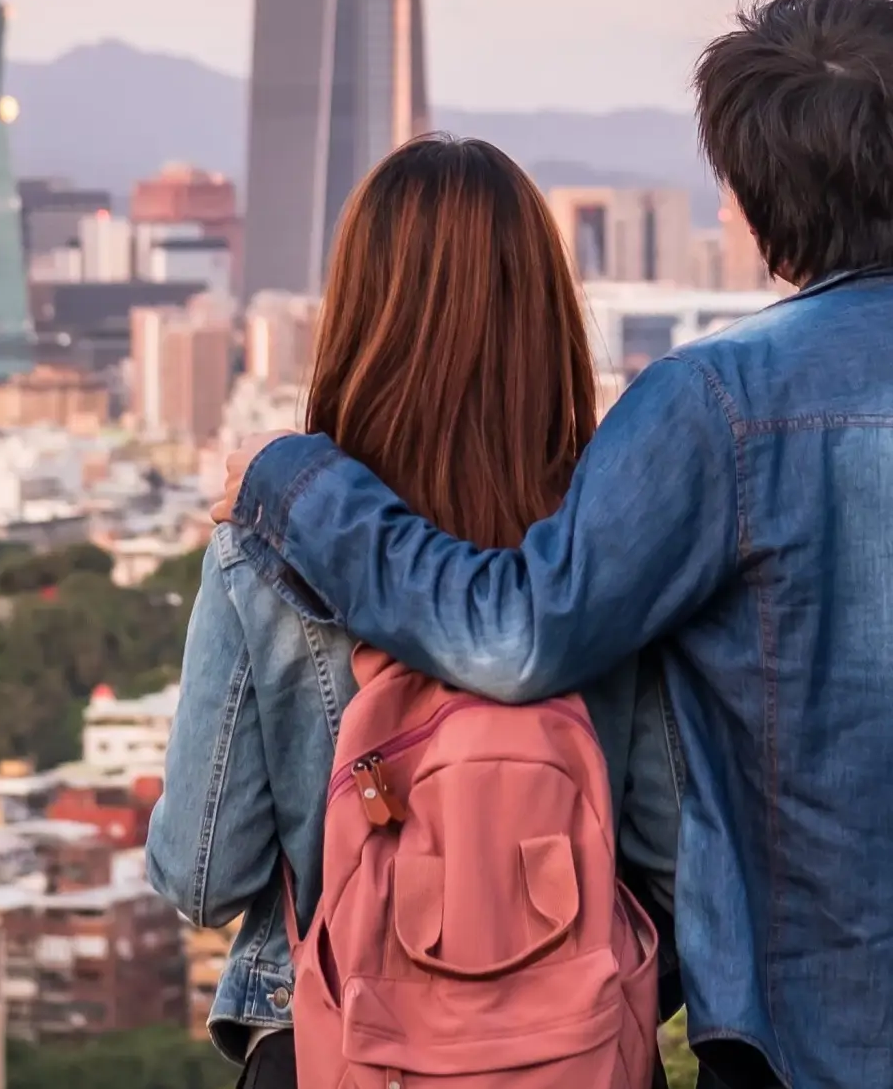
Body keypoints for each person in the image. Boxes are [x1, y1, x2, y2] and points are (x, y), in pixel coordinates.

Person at [223, 0, 893, 1089]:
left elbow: (515, 631)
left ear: (758, 204)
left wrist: (296, 483)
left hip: (808, 1051)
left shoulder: (715, 407)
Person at [147, 135, 679, 1087]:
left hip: (330, 1049)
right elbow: (671, 857)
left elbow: (202, 873)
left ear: (355, 316)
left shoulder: (260, 553)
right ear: (547, 317)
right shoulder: (607, 546)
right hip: (576, 1053)